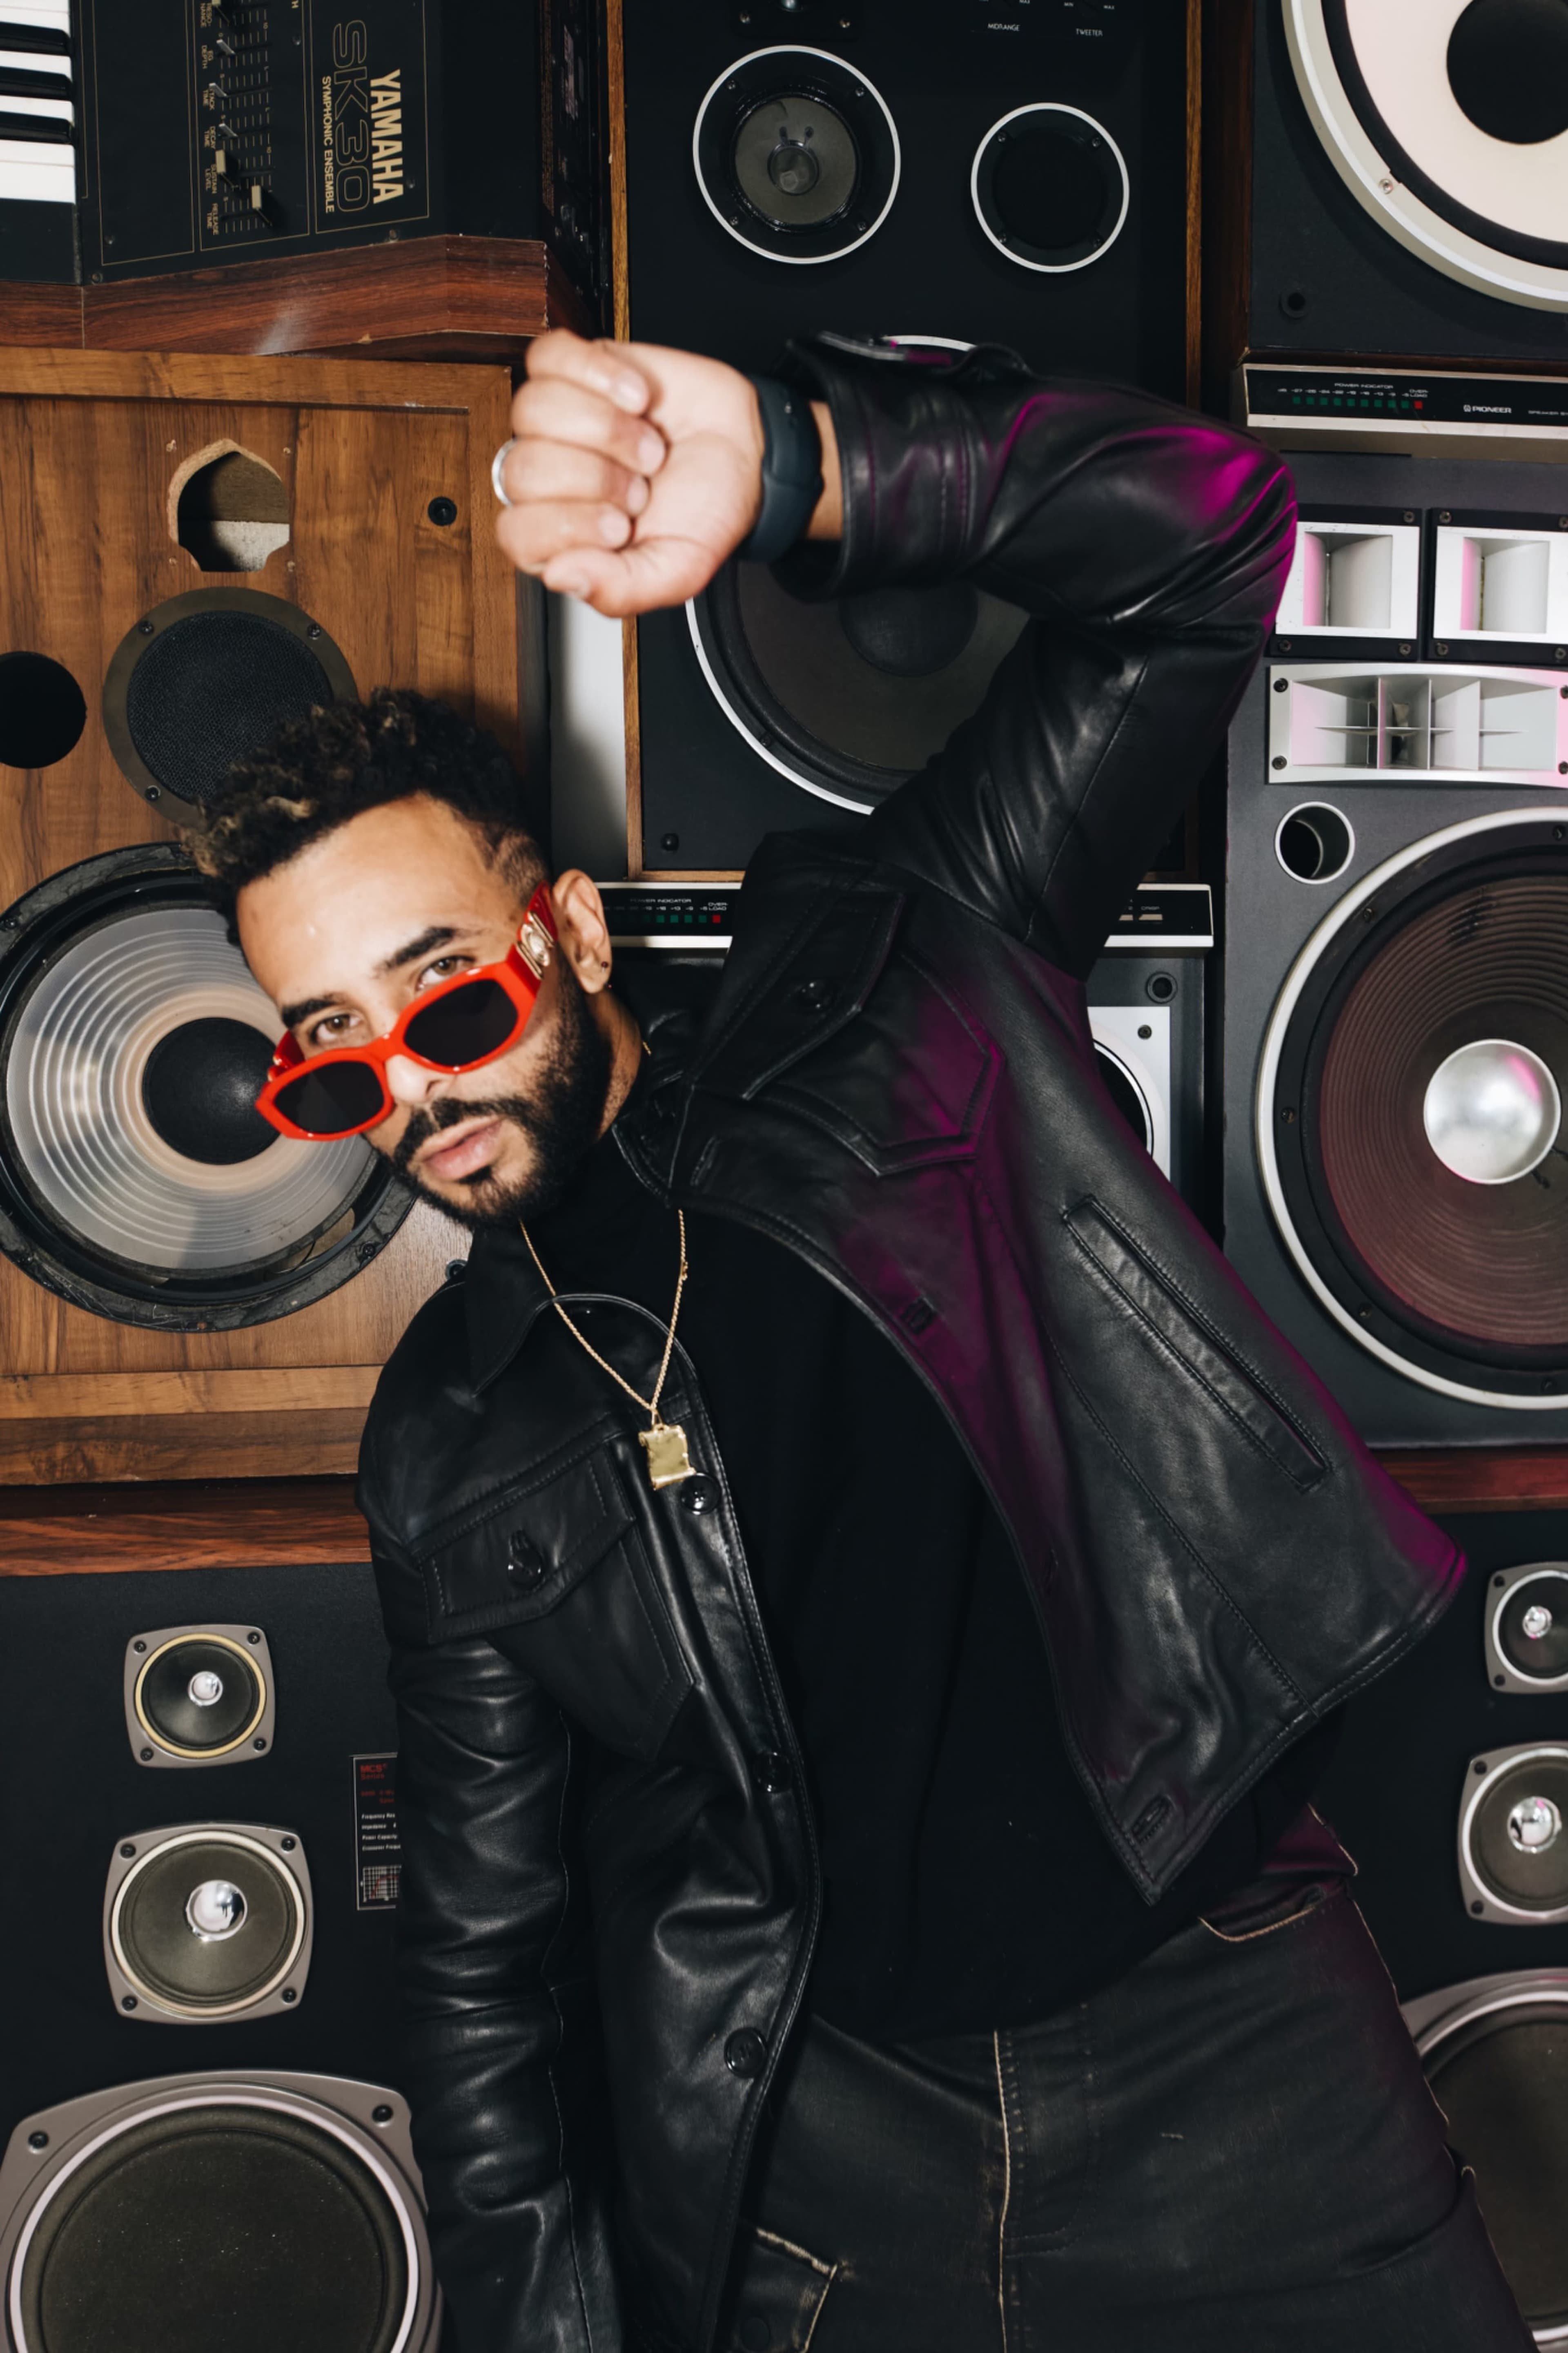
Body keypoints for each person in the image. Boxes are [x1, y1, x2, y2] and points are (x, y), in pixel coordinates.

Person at [203, 330, 1532, 2353]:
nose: (412, 1087)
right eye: (335, 1064)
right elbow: (487, 1966)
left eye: (447, 999)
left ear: (562, 927)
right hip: (830, 2156)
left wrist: (818, 465)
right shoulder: (452, 1434)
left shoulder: (898, 974)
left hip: (1227, 2041)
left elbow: (1206, 538)